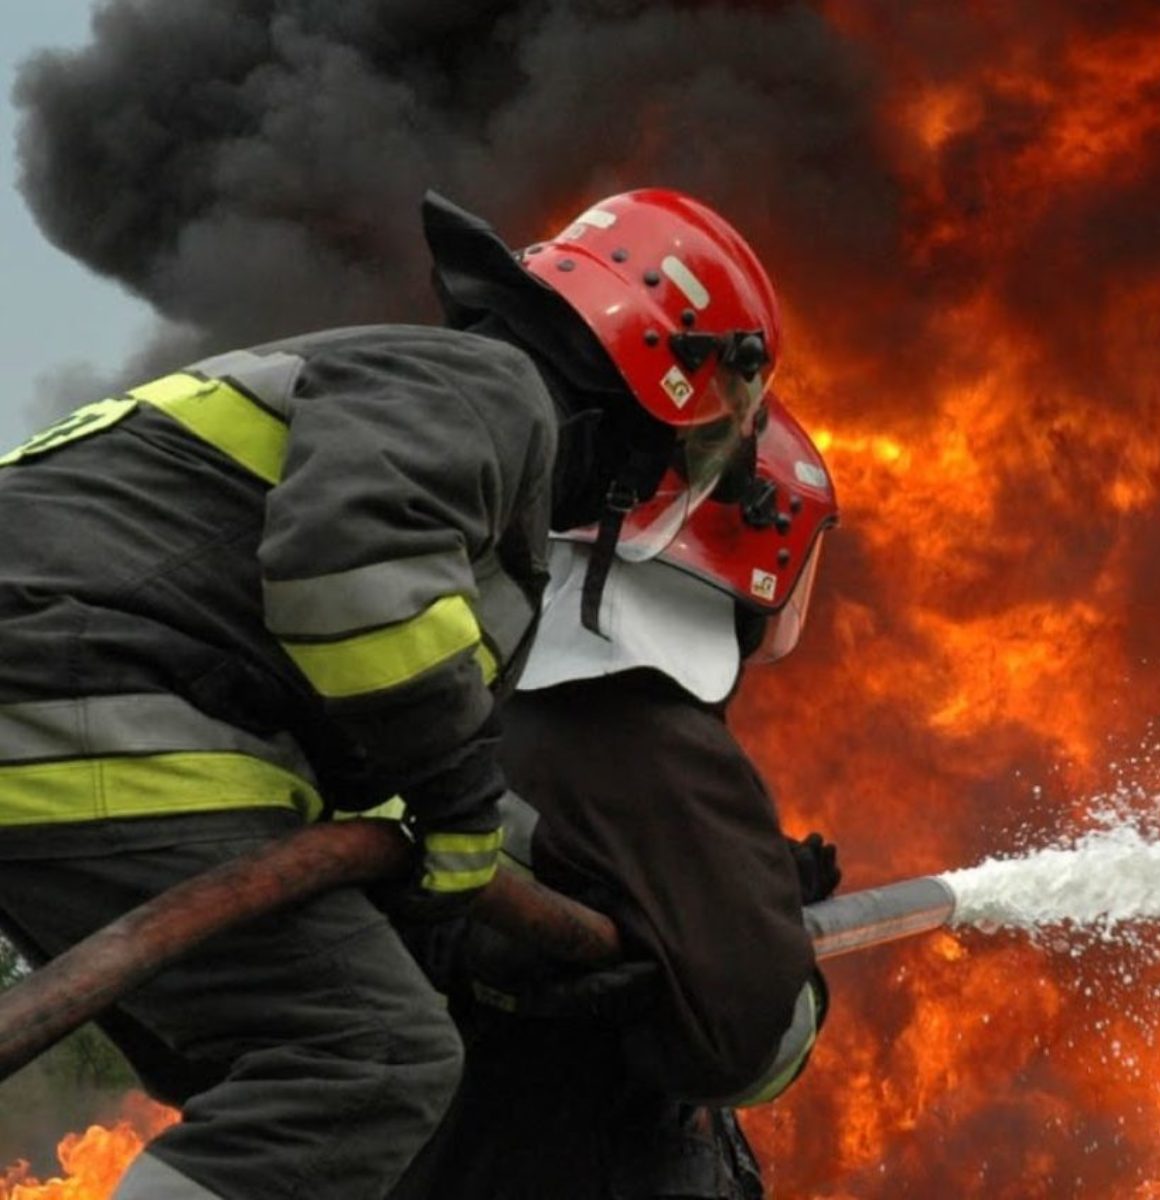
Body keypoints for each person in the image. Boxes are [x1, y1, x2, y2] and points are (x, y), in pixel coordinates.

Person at [0, 186, 786, 1200]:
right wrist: (459, 814)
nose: (670, 480)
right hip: (79, 696)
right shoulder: (489, 390)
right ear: (663, 378)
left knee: (244, 1051)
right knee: (366, 1058)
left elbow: (372, 742)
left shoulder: (419, 414)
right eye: (702, 444)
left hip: (72, 706)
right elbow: (346, 579)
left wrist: (543, 890)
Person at [391, 393, 842, 1200]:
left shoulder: (470, 693)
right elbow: (745, 1041)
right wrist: (777, 951)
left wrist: (743, 883)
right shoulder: (656, 747)